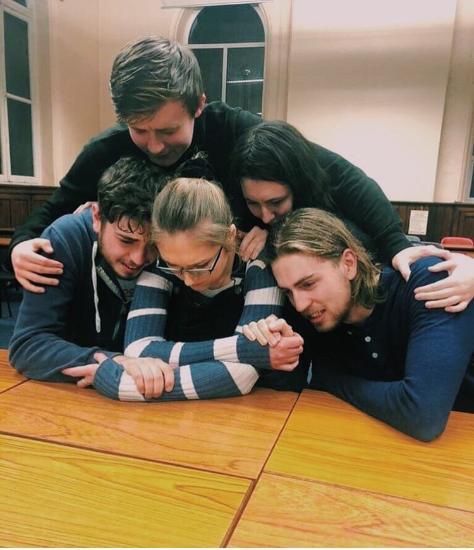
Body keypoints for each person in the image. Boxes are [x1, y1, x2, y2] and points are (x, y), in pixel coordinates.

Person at [12, 36, 421, 299]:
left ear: (199, 105)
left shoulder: (236, 129)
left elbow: (343, 176)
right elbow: (51, 210)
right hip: (154, 285)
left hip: (240, 281)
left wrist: (396, 244)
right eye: (139, 130)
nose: (155, 145)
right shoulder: (104, 149)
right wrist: (21, 245)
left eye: (168, 130)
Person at [243, 208, 474, 441]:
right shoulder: (313, 313)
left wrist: (328, 380)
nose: (300, 304)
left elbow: (423, 416)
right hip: (376, 443)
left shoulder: (427, 282)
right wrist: (266, 352)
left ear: (348, 263)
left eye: (308, 284)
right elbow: (289, 394)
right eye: (288, 292)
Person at [66, 177, 304, 402]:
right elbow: (139, 349)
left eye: (201, 265)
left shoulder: (260, 268)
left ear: (230, 236)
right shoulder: (159, 267)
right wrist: (242, 349)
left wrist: (119, 384)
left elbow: (241, 376)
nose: (188, 280)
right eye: (175, 267)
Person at [231, 120, 474, 312]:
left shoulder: (351, 206)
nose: (265, 216)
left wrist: (467, 271)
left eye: (276, 202)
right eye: (253, 203)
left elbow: (415, 258)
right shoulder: (257, 225)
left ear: (349, 262)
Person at [9, 157, 164, 382]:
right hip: (77, 390)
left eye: (153, 245)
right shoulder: (64, 240)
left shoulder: (173, 246)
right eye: (126, 240)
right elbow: (28, 346)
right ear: (97, 217)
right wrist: (114, 362)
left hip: (150, 387)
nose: (139, 259)